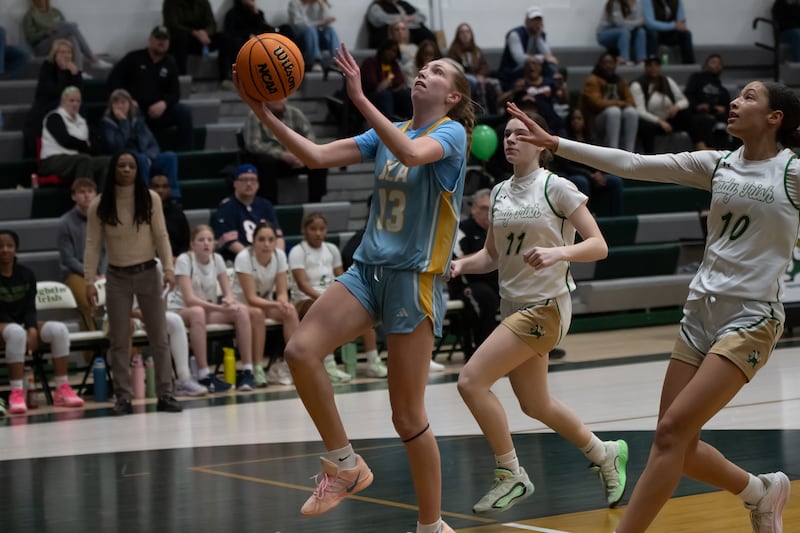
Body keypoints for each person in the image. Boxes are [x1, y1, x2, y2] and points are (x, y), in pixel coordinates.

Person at [505, 79, 797, 533]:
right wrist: (556, 143)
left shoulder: (792, 172)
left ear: (775, 117)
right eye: (737, 95)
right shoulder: (717, 165)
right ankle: (759, 492)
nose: (735, 102)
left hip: (751, 318)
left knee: (669, 435)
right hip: (699, 314)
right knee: (677, 442)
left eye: (749, 97)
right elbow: (633, 163)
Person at [232, 42, 473, 532]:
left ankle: (432, 527)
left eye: (437, 71)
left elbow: (410, 153)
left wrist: (360, 98)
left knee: (407, 418)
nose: (424, 72)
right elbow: (317, 156)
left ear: (453, 96)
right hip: (367, 270)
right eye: (423, 67)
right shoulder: (391, 131)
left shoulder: (452, 134)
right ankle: (344, 464)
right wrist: (262, 112)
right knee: (300, 351)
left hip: (413, 280)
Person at [450, 110, 627, 516]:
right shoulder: (497, 193)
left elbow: (598, 245)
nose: (510, 139)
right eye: (507, 134)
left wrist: (558, 252)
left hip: (547, 309)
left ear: (540, 143)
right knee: (536, 404)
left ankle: (510, 472)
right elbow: (492, 257)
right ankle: (606, 454)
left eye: (520, 134)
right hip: (513, 307)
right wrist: (461, 264)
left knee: (471, 381)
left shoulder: (557, 188)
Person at [84, 151, 182, 415]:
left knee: (159, 336)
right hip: (116, 276)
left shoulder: (150, 199)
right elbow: (93, 244)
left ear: (138, 170)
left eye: (131, 166)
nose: (126, 170)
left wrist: (169, 269)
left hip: (149, 271)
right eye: (121, 165)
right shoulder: (100, 205)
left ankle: (166, 393)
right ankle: (123, 397)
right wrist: (89, 280)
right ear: (113, 169)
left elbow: (161, 235)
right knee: (118, 338)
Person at [288, 212, 387, 380]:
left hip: (328, 296)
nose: (318, 233)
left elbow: (342, 279)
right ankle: (329, 364)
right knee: (324, 313)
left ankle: (372, 361)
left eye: (322, 229)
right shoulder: (298, 251)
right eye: (313, 229)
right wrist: (324, 299)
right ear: (305, 230)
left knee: (366, 311)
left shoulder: (331, 249)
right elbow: (302, 285)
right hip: (304, 300)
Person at [0, 229, 85, 415]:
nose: (5, 250)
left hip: (22, 323)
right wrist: (23, 330)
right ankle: (16, 393)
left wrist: (31, 328)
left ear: (16, 249)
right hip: (3, 325)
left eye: (9, 246)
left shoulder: (26, 274)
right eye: (1, 246)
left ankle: (62, 389)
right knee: (15, 332)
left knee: (59, 329)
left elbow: (30, 307)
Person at [168, 224, 258, 391]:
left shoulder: (217, 259)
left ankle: (247, 371)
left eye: (209, 240)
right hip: (180, 311)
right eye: (201, 240)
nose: (206, 244)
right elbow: (189, 300)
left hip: (206, 311)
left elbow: (227, 292)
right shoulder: (184, 260)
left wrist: (229, 302)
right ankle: (204, 374)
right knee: (197, 312)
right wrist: (219, 309)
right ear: (192, 244)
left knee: (241, 311)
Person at [107, 26, 194, 153]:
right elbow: (113, 80)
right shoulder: (133, 58)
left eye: (165, 39)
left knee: (185, 111)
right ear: (150, 40)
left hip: (158, 111)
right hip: (134, 108)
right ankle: (146, 155)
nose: (161, 42)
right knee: (136, 114)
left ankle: (186, 154)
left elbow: (175, 94)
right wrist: (127, 100)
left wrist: (164, 103)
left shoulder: (170, 65)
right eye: (158, 38)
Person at [232, 222, 297, 387]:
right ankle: (258, 366)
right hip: (241, 305)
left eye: (270, 239)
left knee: (290, 311)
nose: (266, 244)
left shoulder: (279, 256)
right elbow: (251, 298)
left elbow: (282, 291)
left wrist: (282, 302)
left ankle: (296, 362)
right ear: (253, 241)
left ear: (275, 242)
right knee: (257, 313)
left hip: (266, 303)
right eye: (261, 239)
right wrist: (276, 304)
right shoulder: (244, 258)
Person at [241, 99, 328, 204]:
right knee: (266, 162)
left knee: (319, 161)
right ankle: (270, 204)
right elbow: (253, 144)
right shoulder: (255, 115)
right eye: (275, 97)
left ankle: (316, 202)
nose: (279, 100)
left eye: (282, 97)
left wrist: (302, 156)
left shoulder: (295, 113)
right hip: (272, 161)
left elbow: (310, 138)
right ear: (265, 99)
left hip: (296, 158)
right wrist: (281, 155)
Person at [447, 189, 499, 360]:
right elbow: (455, 261)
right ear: (474, 209)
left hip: (497, 282)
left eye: (492, 208)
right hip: (467, 286)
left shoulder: (499, 228)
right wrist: (485, 255)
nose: (489, 213)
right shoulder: (463, 230)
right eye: (485, 208)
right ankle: (485, 353)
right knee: (484, 295)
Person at [99, 88, 180, 195]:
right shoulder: (107, 124)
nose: (120, 106)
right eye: (116, 102)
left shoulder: (138, 121)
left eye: (123, 102)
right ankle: (144, 195)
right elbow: (116, 148)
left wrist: (149, 156)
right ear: (111, 105)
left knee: (170, 157)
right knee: (139, 159)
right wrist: (123, 123)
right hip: (126, 160)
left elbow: (152, 143)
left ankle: (173, 195)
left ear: (129, 104)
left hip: (145, 157)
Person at [551, 108, 624, 216]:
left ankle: (616, 217)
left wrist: (599, 172)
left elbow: (598, 158)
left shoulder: (590, 137)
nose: (576, 121)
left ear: (584, 121)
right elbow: (566, 166)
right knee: (582, 181)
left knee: (616, 181)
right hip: (572, 174)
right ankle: (587, 218)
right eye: (573, 119)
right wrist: (590, 174)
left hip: (592, 174)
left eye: (579, 118)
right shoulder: (564, 138)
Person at [57, 177, 106, 337]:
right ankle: (93, 355)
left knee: (123, 300)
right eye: (81, 192)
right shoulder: (65, 222)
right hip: (75, 273)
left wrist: (103, 273)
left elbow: (108, 251)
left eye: (90, 191)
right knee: (87, 303)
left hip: (102, 271)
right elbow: (68, 258)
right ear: (74, 196)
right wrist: (90, 274)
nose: (86, 196)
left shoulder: (103, 219)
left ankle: (131, 355)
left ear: (96, 195)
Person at [22, 38, 83, 158]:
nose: (66, 55)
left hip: (66, 108)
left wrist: (75, 75)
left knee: (80, 106)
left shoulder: (73, 70)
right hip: (46, 107)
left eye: (69, 52)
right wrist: (62, 73)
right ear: (55, 54)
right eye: (62, 52)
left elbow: (78, 94)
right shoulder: (47, 68)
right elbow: (54, 91)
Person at [212, 164, 285, 263]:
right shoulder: (227, 207)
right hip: (238, 258)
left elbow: (278, 237)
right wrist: (253, 259)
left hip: (265, 254)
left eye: (253, 180)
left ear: (258, 184)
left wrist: (277, 256)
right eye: (244, 180)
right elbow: (231, 243)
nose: (249, 184)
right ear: (235, 183)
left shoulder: (265, 205)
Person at [39, 86, 109, 186]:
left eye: (78, 101)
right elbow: (65, 140)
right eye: (71, 101)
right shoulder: (54, 117)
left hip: (75, 158)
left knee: (107, 162)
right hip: (52, 160)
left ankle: (101, 199)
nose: (75, 104)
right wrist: (85, 144)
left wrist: (86, 145)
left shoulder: (82, 122)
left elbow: (91, 146)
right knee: (84, 160)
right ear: (63, 102)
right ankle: (85, 199)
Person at [162, 0, 236, 89]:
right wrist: (194, 33)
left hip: (201, 39)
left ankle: (225, 78)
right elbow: (173, 25)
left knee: (224, 38)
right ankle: (183, 79)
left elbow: (211, 23)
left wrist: (206, 33)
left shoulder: (203, 2)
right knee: (181, 38)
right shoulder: (171, 3)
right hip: (180, 39)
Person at [630, 55, 697, 153]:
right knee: (646, 127)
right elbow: (640, 111)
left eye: (656, 65)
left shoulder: (667, 81)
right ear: (645, 67)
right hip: (650, 121)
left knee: (687, 114)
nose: (653, 68)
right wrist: (659, 121)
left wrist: (676, 107)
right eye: (650, 65)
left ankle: (699, 145)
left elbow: (684, 101)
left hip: (668, 118)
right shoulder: (637, 85)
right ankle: (649, 157)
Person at [22, 0, 111, 70]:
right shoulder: (30, 15)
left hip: (60, 42)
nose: (40, 1)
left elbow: (65, 29)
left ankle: (78, 71)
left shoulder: (56, 12)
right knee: (70, 27)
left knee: (72, 37)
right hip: (42, 47)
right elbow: (30, 38)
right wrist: (46, 32)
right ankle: (93, 59)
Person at [580, 52, 638, 151]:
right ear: (600, 65)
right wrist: (619, 103)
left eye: (611, 63)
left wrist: (621, 104)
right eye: (605, 63)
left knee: (631, 112)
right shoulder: (592, 80)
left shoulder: (620, 81)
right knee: (613, 111)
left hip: (618, 118)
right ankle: (613, 150)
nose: (609, 66)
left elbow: (631, 102)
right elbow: (597, 103)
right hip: (596, 120)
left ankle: (630, 151)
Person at [499, 56, 567, 135]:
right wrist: (514, 91)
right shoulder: (518, 84)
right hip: (524, 122)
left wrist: (563, 86)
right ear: (524, 68)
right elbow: (499, 103)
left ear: (540, 67)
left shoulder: (549, 83)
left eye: (534, 63)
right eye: (528, 64)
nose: (531, 66)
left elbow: (563, 100)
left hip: (549, 122)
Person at [497, 6, 560, 90]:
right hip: (514, 70)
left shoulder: (541, 35)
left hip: (534, 70)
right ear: (526, 21)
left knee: (549, 66)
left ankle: (555, 90)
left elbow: (548, 55)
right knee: (533, 65)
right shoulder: (515, 34)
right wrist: (543, 58)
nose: (536, 23)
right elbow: (520, 59)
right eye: (534, 20)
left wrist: (538, 36)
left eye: (539, 20)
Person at [446, 22, 502, 115]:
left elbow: (484, 65)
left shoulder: (476, 50)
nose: (465, 34)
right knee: (476, 82)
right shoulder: (454, 51)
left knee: (495, 83)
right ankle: (483, 110)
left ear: (471, 34)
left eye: (467, 32)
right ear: (458, 35)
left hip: (478, 76)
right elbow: (454, 68)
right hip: (463, 77)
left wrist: (481, 74)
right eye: (462, 32)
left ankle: (499, 110)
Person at [683, 54, 735, 150]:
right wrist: (697, 106)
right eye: (713, 62)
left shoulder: (722, 90)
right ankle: (706, 149)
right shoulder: (697, 78)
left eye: (719, 63)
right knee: (706, 120)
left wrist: (721, 109)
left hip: (717, 115)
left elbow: (726, 108)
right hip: (698, 113)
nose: (716, 65)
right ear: (706, 65)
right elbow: (688, 95)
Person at [361, 39, 413, 122]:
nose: (391, 53)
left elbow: (401, 83)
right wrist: (390, 81)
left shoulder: (394, 65)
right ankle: (388, 125)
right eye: (388, 50)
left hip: (390, 94)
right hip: (370, 96)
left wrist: (389, 82)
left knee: (407, 93)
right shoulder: (371, 62)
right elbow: (376, 86)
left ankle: (413, 123)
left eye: (394, 51)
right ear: (383, 49)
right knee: (385, 95)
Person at [288, 0, 341, 73]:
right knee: (311, 29)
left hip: (316, 37)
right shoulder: (295, 3)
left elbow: (328, 21)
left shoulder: (316, 3)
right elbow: (298, 24)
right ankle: (315, 62)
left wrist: (323, 6)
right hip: (301, 38)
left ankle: (339, 61)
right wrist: (319, 22)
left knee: (330, 30)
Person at [641, 0, 695, 64]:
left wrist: (676, 26)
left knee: (686, 34)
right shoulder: (647, 1)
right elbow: (650, 23)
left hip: (669, 33)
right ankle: (652, 63)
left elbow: (681, 23)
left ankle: (689, 64)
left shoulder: (677, 1)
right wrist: (673, 25)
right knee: (653, 34)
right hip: (655, 32)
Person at [150, 174, 190, 258]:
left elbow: (185, 243)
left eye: (164, 186)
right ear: (149, 189)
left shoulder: (178, 214)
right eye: (156, 186)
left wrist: (178, 259)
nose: (160, 190)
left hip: (175, 260)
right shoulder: (141, 214)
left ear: (170, 189)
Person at [365, 0, 435, 48]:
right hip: (392, 41)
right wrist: (404, 18)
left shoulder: (402, 4)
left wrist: (410, 18)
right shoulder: (377, 6)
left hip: (418, 40)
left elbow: (422, 17)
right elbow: (379, 19)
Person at [596, 0, 647, 65]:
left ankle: (641, 60)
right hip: (605, 33)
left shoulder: (637, 3)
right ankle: (624, 59)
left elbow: (639, 20)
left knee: (641, 31)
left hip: (626, 33)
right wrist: (638, 23)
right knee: (623, 31)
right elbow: (620, 23)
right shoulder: (615, 3)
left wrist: (637, 23)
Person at [388, 20, 418, 86]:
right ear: (392, 33)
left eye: (403, 29)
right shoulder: (389, 49)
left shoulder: (414, 47)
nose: (400, 32)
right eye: (397, 29)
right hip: (403, 76)